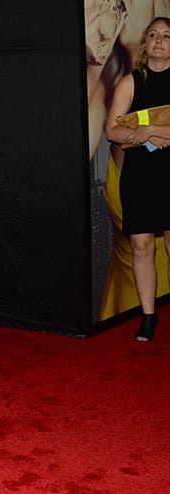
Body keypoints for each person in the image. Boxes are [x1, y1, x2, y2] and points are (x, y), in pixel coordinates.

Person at [105, 17, 170, 342]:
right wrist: (140, 136)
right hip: (140, 177)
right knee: (142, 247)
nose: (159, 41)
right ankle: (148, 316)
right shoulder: (130, 82)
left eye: (167, 36)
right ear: (145, 43)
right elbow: (111, 131)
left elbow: (140, 131)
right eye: (153, 35)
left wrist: (150, 130)